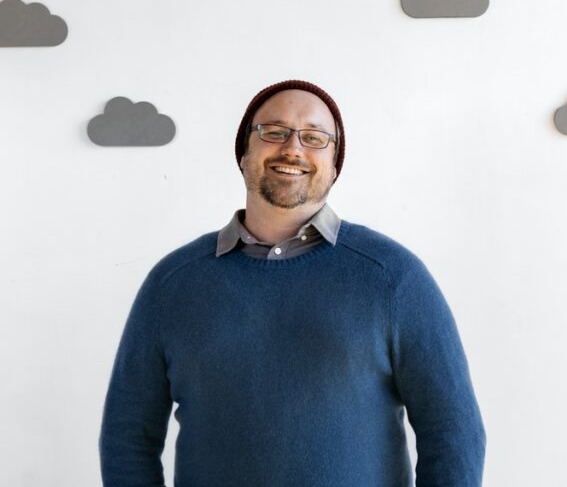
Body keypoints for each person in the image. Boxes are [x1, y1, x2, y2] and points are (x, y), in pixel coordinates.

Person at [99, 79, 486, 487]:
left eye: (315, 137)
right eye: (274, 132)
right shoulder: (173, 284)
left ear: (335, 164)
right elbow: (127, 438)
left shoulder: (394, 278)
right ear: (244, 153)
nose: (293, 148)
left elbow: (453, 432)